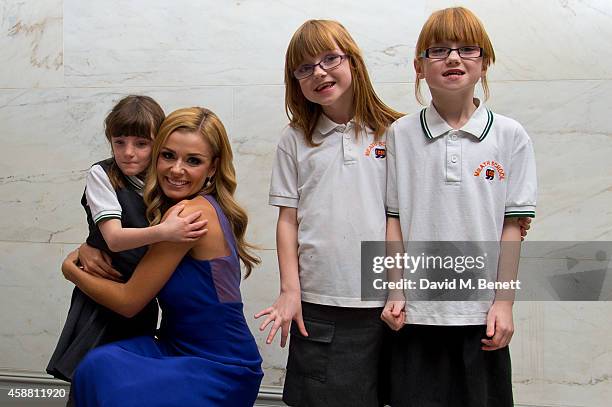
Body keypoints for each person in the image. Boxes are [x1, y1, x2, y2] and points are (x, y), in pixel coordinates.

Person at [381, 7, 537, 406]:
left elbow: (512, 227)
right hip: (416, 316)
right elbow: (395, 222)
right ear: (419, 66)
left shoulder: (510, 135)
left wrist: (504, 302)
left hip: (482, 317)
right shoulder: (399, 134)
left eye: (467, 49)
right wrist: (395, 290)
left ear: (485, 62)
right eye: (438, 50)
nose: (453, 58)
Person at [61, 107, 264, 406]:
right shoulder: (180, 212)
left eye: (193, 161)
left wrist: (70, 269)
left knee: (106, 376)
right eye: (168, 155)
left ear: (212, 167)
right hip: (174, 344)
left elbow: (128, 302)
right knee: (97, 364)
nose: (176, 169)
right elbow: (121, 238)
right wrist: (90, 245)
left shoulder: (187, 214)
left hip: (218, 362)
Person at [254, 19, 403, 406]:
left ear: (352, 60)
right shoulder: (295, 139)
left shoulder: (396, 131)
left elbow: (406, 215)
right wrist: (290, 290)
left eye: (329, 59)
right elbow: (288, 220)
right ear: (295, 82)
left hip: (387, 300)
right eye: (304, 68)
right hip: (320, 302)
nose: (318, 72)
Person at [47, 96, 206, 392]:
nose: (128, 153)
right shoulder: (103, 174)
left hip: (142, 299)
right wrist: (165, 231)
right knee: (90, 378)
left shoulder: (164, 179)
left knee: (126, 381)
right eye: (119, 142)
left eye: (141, 144)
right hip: (102, 294)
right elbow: (114, 238)